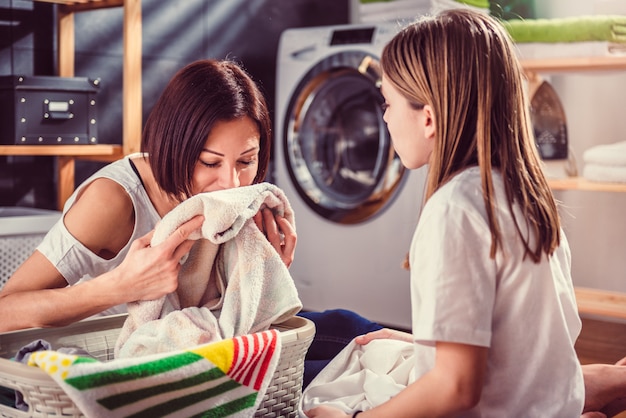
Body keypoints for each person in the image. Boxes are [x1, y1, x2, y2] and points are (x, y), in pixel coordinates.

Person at [303, 9, 585, 417]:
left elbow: (455, 387)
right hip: (549, 406)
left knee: (313, 403)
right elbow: (521, 348)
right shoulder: (526, 197)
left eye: (387, 103)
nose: (383, 117)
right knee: (355, 336)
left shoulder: (455, 210)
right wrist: (425, 346)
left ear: (429, 118)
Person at [0, 59, 296, 332]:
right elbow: (5, 311)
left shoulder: (247, 201)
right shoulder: (113, 200)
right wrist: (121, 286)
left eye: (246, 161)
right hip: (113, 358)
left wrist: (266, 270)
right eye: (209, 162)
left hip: (202, 343)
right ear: (174, 146)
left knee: (341, 324)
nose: (232, 183)